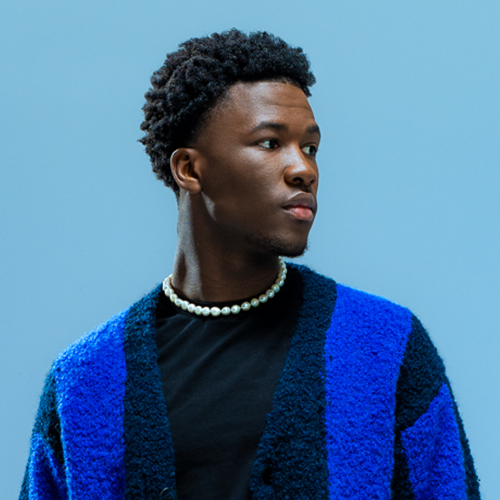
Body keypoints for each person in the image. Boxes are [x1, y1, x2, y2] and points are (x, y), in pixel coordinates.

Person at [20, 29, 480, 500]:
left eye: (310, 147)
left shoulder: (384, 345)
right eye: (270, 143)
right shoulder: (84, 381)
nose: (304, 169)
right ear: (189, 169)